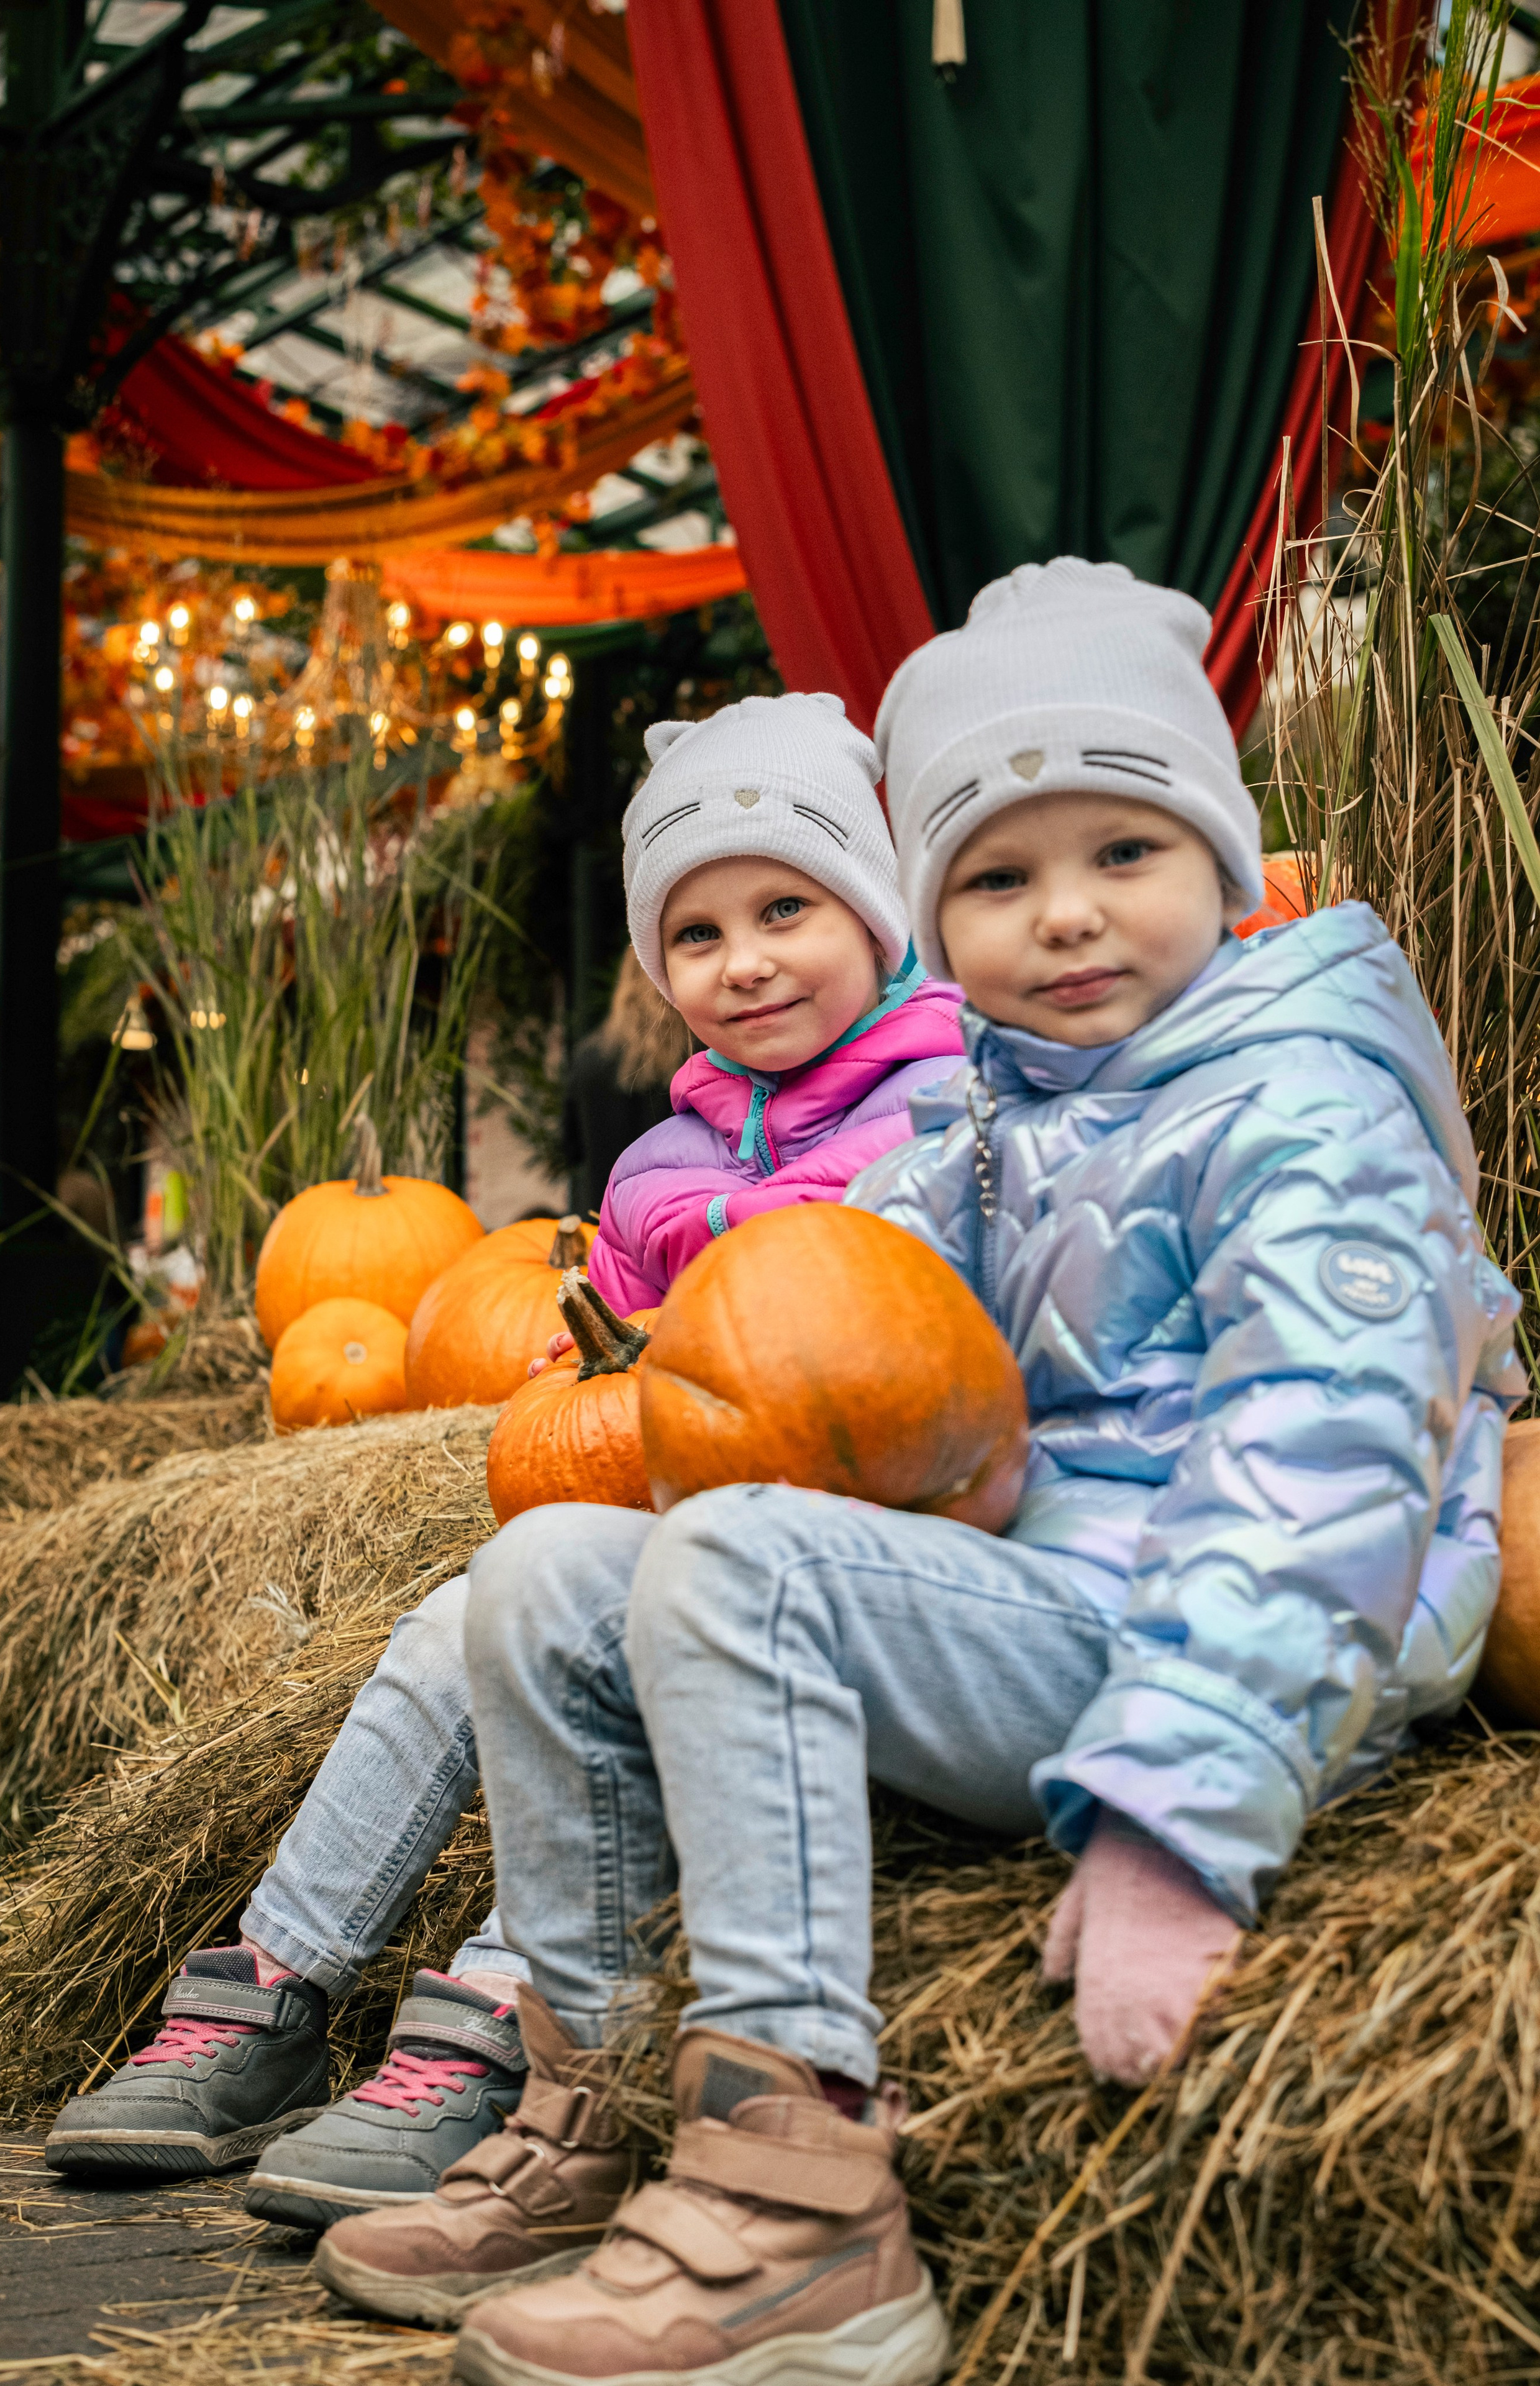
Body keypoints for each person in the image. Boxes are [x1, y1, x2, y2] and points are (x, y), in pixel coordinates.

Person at [296, 560, 1521, 2386]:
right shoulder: (981, 1115)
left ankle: (804, 2216)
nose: (1066, 914)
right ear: (936, 916)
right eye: (998, 876)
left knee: (741, 1565)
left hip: (1248, 1646)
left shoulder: (1307, 1098)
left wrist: (1179, 1812)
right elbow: (814, 1325)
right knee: (549, 1568)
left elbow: (1322, 1461)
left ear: (1218, 854)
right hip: (1051, 1584)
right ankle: (609, 2096)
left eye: (1124, 850)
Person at [42, 692, 964, 2231]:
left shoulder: (936, 1111)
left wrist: (686, 1320)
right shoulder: (666, 1153)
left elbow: (862, 1328)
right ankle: (272, 1983)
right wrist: (582, 1355)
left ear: (875, 909)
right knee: (457, 1616)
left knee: (604, 1646)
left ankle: (495, 2014)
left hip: (820, 1543)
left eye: (785, 908)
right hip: (651, 1514)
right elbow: (599, 1365)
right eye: (695, 933)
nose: (741, 960)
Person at [560, 947, 688, 1218]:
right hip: (676, 1222)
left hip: (603, 1219)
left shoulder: (588, 1058)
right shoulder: (698, 1058)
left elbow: (571, 1151)